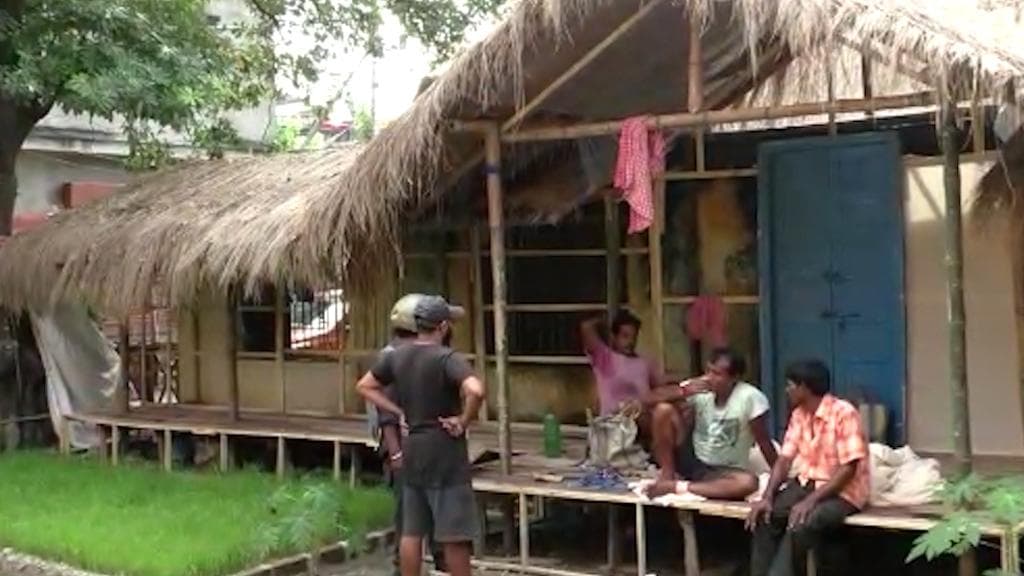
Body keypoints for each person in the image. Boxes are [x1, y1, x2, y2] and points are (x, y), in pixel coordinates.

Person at [356, 295, 485, 576]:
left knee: (411, 532)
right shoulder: (447, 358)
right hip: (444, 452)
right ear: (442, 327)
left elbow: (364, 386)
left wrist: (399, 411)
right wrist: (464, 420)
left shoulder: (396, 356)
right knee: (454, 535)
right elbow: (475, 390)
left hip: (413, 448)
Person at [746, 359, 869, 576]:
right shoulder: (799, 414)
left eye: (790, 385)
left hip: (842, 492)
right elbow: (784, 460)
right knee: (765, 516)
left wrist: (810, 501)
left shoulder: (844, 413)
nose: (787, 390)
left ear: (804, 387)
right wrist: (767, 496)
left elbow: (848, 469)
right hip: (806, 484)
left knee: (802, 523)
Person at [367, 294, 446, 576]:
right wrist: (396, 452)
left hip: (418, 446)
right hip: (403, 448)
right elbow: (387, 413)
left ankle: (436, 563)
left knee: (427, 513)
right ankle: (403, 569)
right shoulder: (396, 357)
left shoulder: (407, 353)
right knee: (409, 518)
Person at [643, 347, 777, 500]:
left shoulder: (750, 397)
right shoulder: (699, 386)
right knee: (663, 410)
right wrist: (683, 391)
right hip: (692, 459)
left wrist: (779, 476)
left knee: (748, 482)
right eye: (708, 371)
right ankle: (667, 476)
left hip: (724, 470)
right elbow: (647, 399)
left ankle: (676, 487)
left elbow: (764, 441)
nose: (709, 378)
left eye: (717, 374)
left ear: (735, 378)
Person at [580, 311, 663, 417]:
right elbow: (586, 327)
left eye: (634, 337)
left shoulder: (644, 362)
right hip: (617, 418)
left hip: (644, 414)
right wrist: (602, 318)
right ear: (614, 337)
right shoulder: (605, 358)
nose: (630, 342)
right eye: (625, 336)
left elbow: (659, 383)